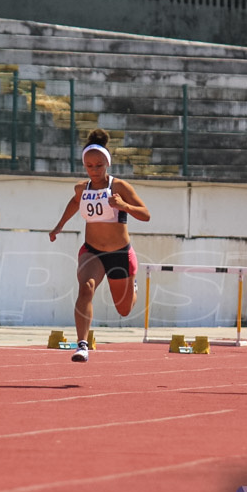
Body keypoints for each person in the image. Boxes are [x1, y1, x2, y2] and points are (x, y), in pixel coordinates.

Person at [49, 128, 149, 363]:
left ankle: (132, 286)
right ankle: (82, 344)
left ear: (107, 164)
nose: (94, 170)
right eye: (90, 166)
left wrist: (124, 206)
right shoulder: (81, 188)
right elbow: (74, 203)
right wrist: (59, 226)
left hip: (119, 254)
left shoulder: (119, 187)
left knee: (123, 309)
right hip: (92, 251)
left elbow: (145, 214)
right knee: (86, 287)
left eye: (99, 165)